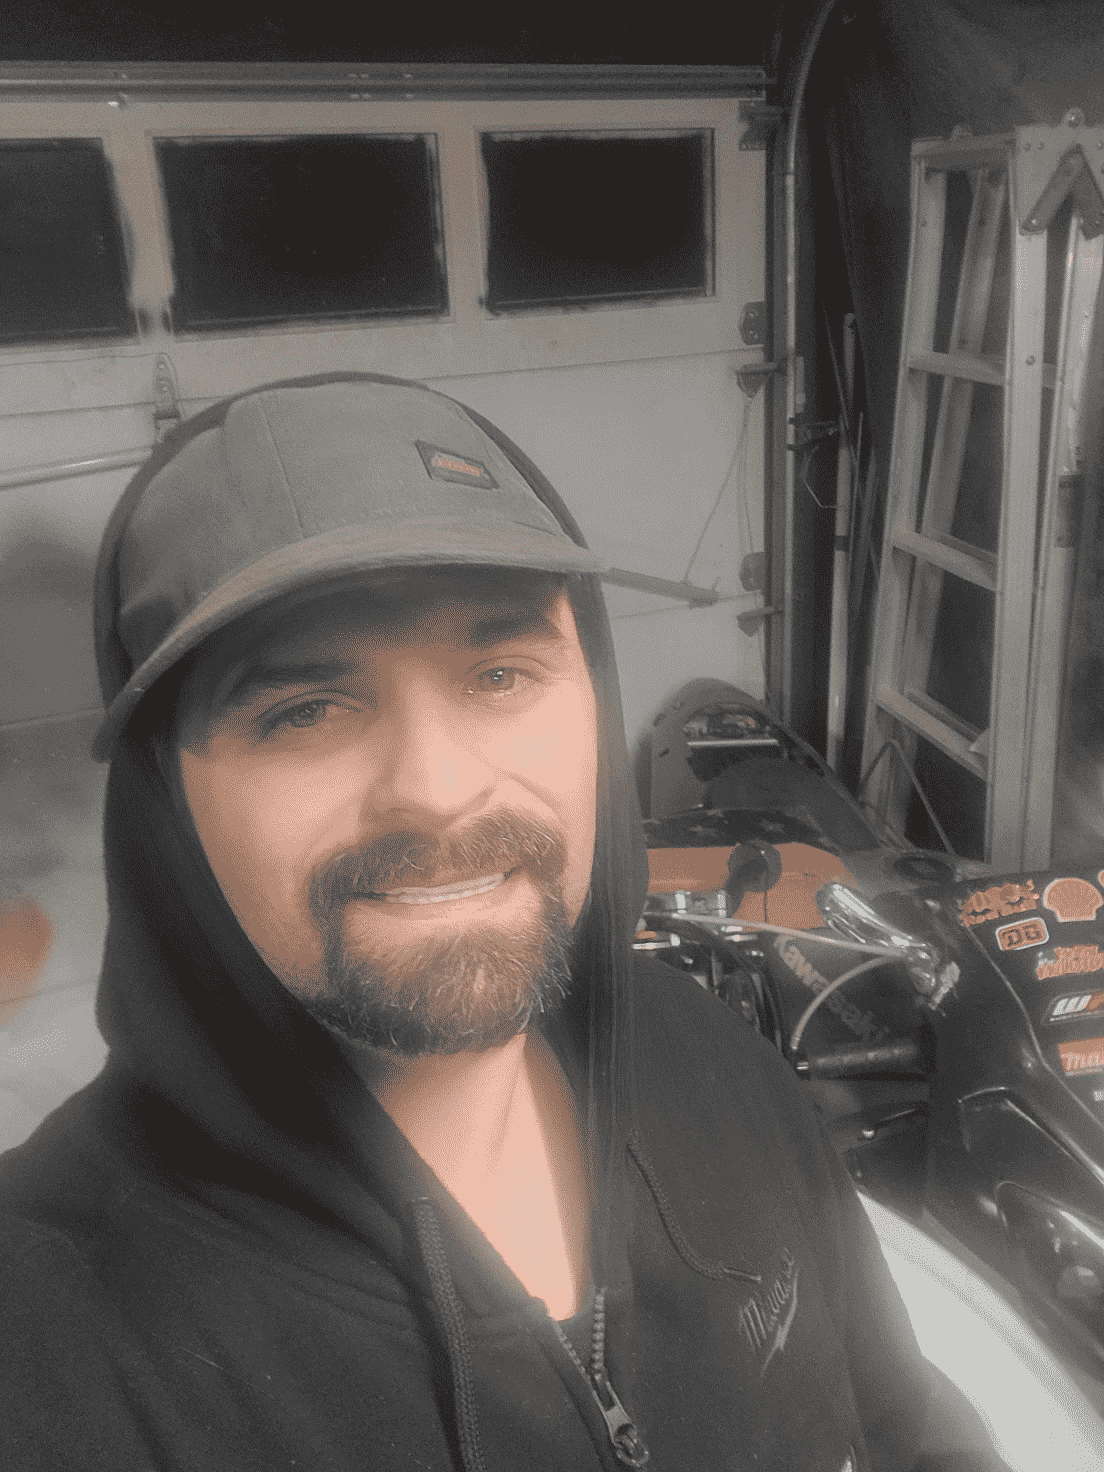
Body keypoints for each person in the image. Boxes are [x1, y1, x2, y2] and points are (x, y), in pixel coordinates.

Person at [0, 372, 1002, 1471]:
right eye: (304, 709)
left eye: (498, 673)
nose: (437, 791)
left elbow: (908, 1431)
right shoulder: (53, 1340)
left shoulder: (711, 1060)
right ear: (165, 801)